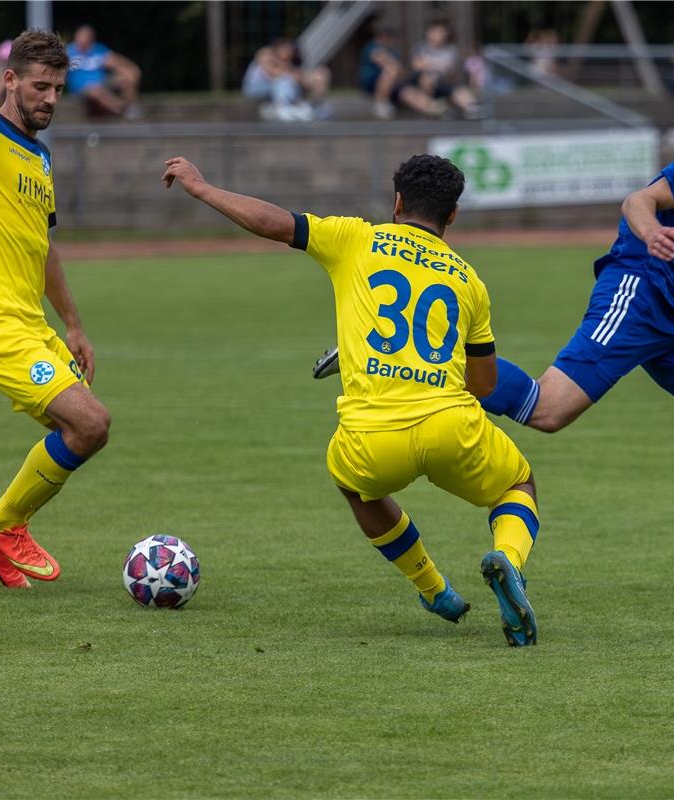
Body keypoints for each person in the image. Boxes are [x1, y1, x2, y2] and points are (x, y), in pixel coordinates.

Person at [320, 108, 674, 609]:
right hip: (640, 290)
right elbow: (638, 201)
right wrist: (650, 232)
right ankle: (383, 349)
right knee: (547, 411)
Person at [163, 153, 542, 647]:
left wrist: (202, 188)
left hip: (372, 437)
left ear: (398, 201)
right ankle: (508, 561)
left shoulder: (355, 237)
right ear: (453, 215)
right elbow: (485, 384)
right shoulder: (469, 280)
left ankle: (433, 589)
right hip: (452, 427)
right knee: (518, 484)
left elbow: (274, 223)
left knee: (355, 486)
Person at [0, 29, 112, 589]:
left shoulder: (40, 156)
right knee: (89, 422)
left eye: (58, 88)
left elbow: (44, 248)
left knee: (86, 429)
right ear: (9, 80)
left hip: (28, 322)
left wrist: (74, 325)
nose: (50, 98)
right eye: (39, 86)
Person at [242, 38, 330, 122]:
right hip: (255, 88)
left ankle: (311, 106)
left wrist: (312, 80)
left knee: (295, 80)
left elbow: (299, 78)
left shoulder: (289, 62)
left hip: (272, 88)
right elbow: (274, 73)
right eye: (287, 50)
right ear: (279, 49)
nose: (290, 53)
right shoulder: (267, 55)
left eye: (291, 50)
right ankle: (284, 107)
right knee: (284, 81)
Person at [64, 24, 142, 118]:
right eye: (81, 36)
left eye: (86, 37)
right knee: (95, 90)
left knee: (125, 78)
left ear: (91, 39)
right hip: (81, 90)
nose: (82, 40)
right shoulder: (69, 52)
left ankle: (129, 107)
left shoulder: (98, 50)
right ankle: (123, 109)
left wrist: (131, 71)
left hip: (102, 84)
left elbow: (117, 62)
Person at [357, 26, 402, 120]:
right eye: (389, 38)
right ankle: (380, 104)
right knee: (391, 70)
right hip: (369, 80)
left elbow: (401, 69)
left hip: (390, 83)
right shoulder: (371, 46)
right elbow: (380, 59)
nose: (391, 41)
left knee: (392, 72)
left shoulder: (390, 51)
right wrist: (392, 64)